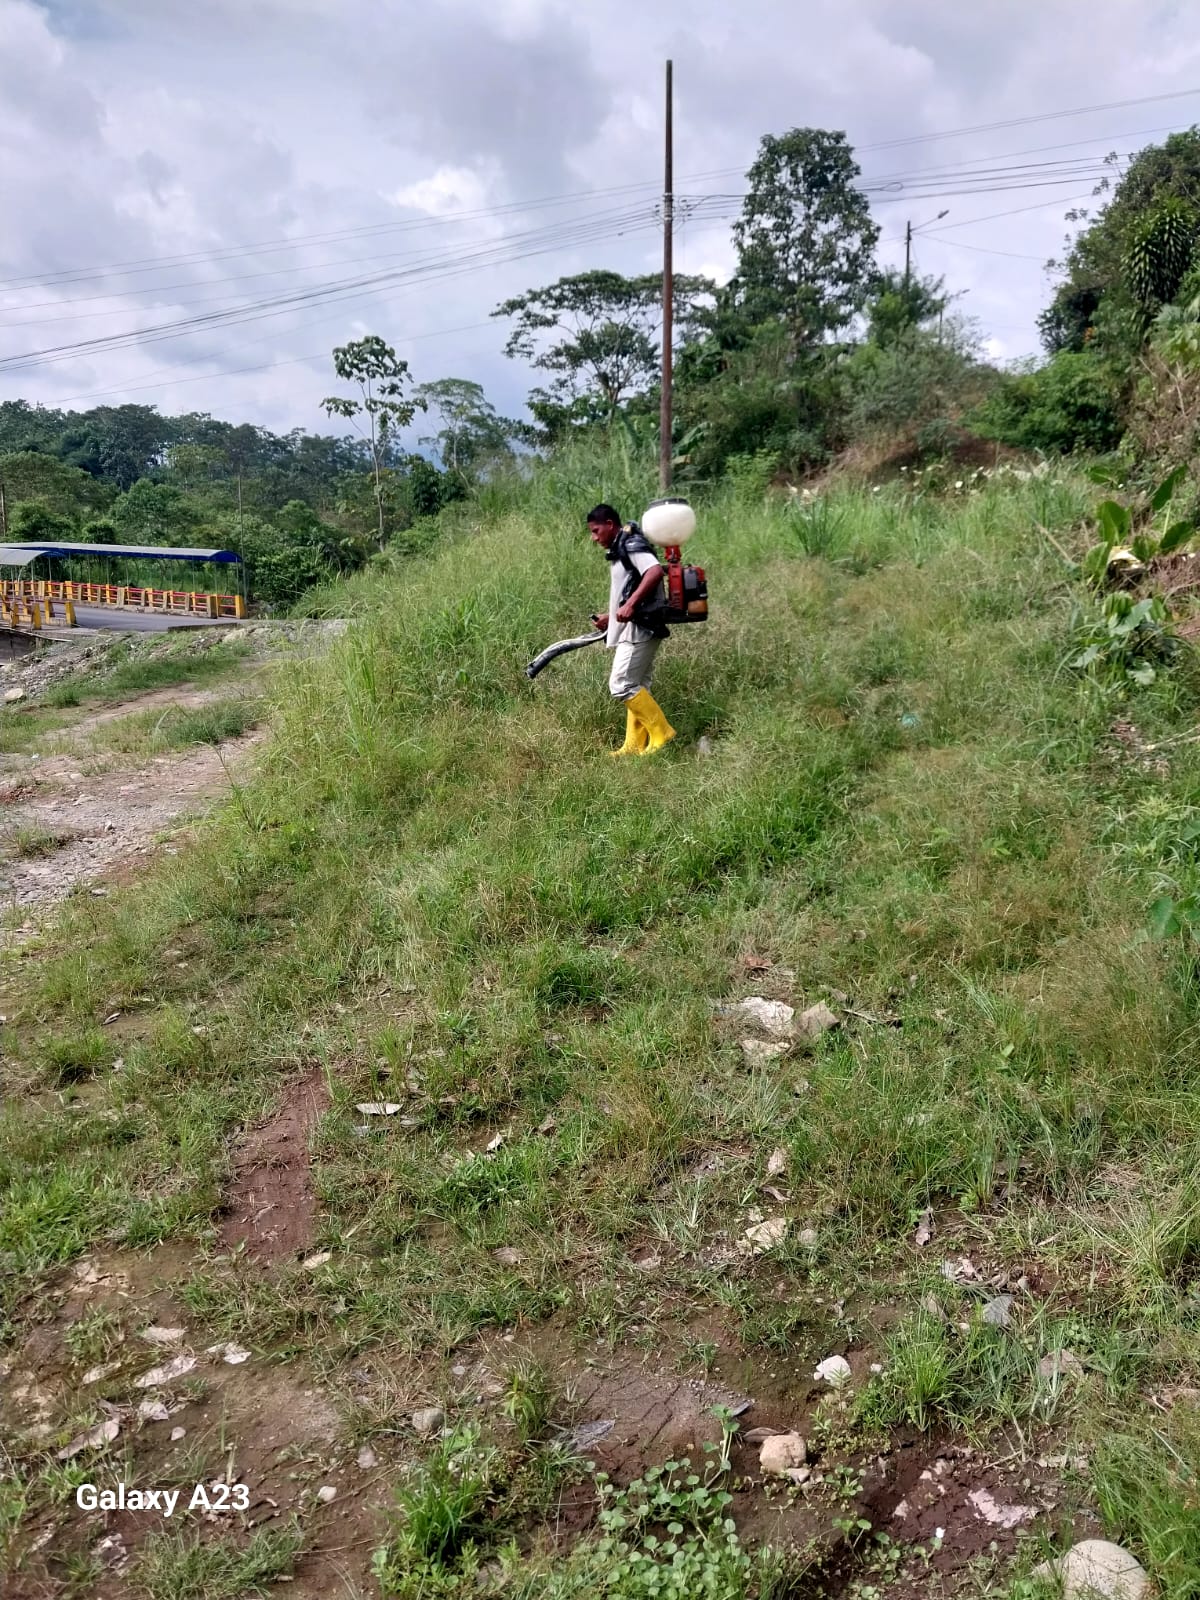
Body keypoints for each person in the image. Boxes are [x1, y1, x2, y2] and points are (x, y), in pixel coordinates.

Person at [586, 503, 676, 756]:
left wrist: (631, 605)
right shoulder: (621, 549)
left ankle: (662, 733)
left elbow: (654, 571)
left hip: (639, 628)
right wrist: (612, 616)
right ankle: (634, 745)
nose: (594, 538)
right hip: (632, 626)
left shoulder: (631, 544)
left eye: (596, 531)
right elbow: (628, 590)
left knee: (621, 684)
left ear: (609, 524)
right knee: (637, 685)